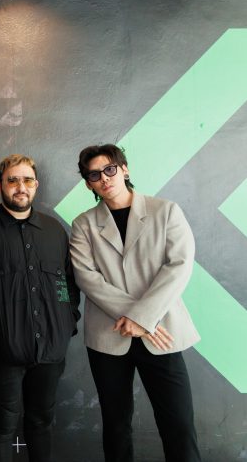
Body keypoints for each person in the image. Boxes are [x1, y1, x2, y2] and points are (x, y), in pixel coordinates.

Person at [69, 144, 201, 462]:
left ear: (124, 169)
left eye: (110, 169)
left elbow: (179, 266)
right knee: (116, 426)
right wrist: (136, 317)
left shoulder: (165, 211)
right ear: (88, 184)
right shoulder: (83, 224)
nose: (104, 178)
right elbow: (87, 278)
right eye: (95, 175)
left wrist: (143, 318)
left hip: (161, 331)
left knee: (179, 425)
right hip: (109, 336)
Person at [0, 154, 80, 462]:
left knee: (41, 422)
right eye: (12, 180)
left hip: (50, 350)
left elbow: (68, 282)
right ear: (0, 186)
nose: (20, 187)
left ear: (36, 185)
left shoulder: (54, 231)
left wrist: (67, 321)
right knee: (2, 425)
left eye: (27, 180)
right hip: (3, 350)